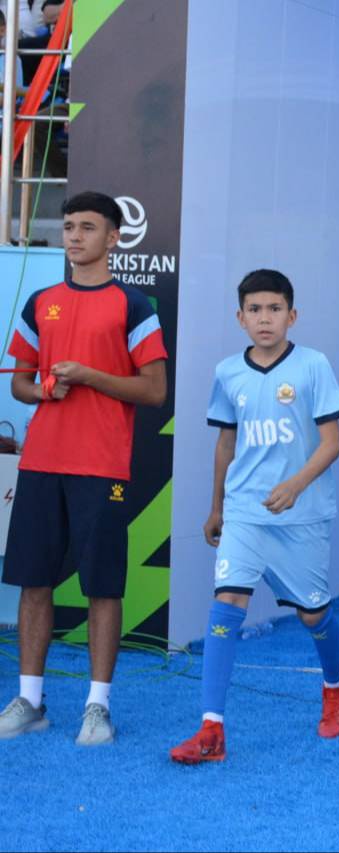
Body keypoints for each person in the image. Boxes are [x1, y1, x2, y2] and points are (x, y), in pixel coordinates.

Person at [0, 192, 167, 745]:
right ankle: (30, 700)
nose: (74, 236)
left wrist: (91, 376)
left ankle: (98, 707)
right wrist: (45, 390)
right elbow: (20, 383)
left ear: (114, 238)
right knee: (34, 581)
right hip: (41, 462)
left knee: (102, 586)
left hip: (101, 465)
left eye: (87, 227)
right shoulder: (41, 301)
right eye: (69, 226)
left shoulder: (133, 305)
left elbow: (154, 389)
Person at [169, 269, 339, 764]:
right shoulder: (229, 372)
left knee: (313, 613)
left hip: (302, 514)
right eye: (254, 310)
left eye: (274, 309)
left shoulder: (313, 366)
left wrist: (295, 485)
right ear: (240, 318)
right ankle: (211, 729)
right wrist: (217, 507)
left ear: (292, 315)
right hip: (246, 510)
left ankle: (336, 687)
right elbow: (226, 444)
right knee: (227, 601)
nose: (264, 318)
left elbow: (332, 443)